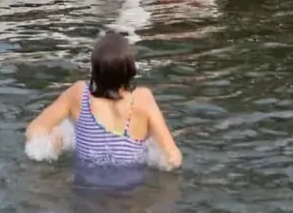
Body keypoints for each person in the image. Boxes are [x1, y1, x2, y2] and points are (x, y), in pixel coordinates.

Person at [25, 30, 183, 172]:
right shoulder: (143, 99)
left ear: (95, 69)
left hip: (85, 191)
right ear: (129, 69)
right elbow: (173, 159)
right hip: (131, 196)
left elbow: (34, 130)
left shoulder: (79, 94)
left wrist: (57, 141)